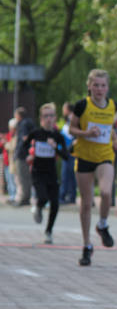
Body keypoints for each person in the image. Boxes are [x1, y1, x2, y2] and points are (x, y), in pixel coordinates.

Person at [70, 69, 117, 266]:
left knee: (107, 193)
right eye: (96, 85)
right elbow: (71, 129)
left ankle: (102, 225)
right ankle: (87, 246)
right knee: (86, 203)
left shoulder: (113, 105)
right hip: (84, 157)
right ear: (89, 86)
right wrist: (86, 133)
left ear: (107, 88)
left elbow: (111, 127)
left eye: (103, 85)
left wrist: (116, 139)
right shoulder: (82, 105)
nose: (99, 89)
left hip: (105, 156)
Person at [21, 103, 69, 244]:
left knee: (55, 203)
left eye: (51, 116)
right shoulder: (36, 134)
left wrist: (56, 148)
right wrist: (27, 156)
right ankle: (38, 207)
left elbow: (66, 156)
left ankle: (48, 231)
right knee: (42, 197)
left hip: (51, 173)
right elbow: (23, 148)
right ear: (41, 118)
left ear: (55, 118)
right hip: (37, 171)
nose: (49, 119)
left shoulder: (58, 136)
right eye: (46, 116)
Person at [12, 107, 35, 207]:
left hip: (22, 155)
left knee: (22, 177)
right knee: (26, 177)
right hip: (27, 154)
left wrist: (18, 152)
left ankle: (25, 198)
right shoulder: (29, 123)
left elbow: (24, 138)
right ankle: (26, 196)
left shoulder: (23, 124)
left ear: (18, 115)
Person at [59, 102, 77, 204]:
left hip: (71, 151)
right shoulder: (66, 121)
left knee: (68, 174)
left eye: (64, 109)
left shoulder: (73, 119)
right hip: (65, 150)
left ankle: (68, 196)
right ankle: (67, 195)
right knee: (66, 174)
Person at [2, 118, 17, 203]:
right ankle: (12, 195)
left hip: (12, 161)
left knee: (13, 179)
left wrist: (5, 143)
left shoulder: (15, 136)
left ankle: (14, 196)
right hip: (6, 161)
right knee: (8, 179)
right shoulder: (9, 135)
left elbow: (12, 146)